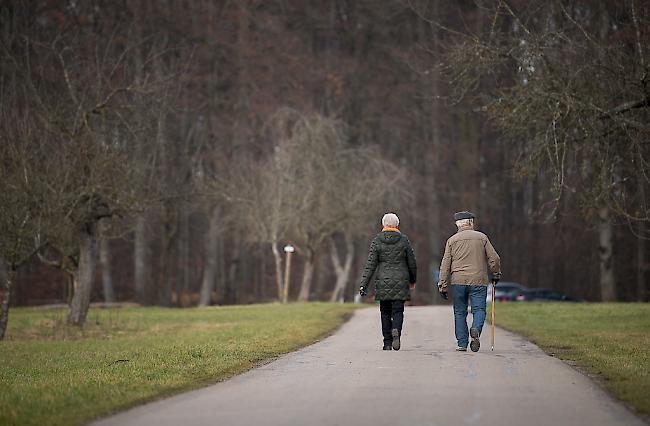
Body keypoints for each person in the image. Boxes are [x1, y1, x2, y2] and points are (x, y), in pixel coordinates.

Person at [437, 211, 501, 352]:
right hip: (478, 281)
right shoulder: (482, 238)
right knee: (479, 310)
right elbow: (494, 258)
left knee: (460, 312)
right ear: (471, 222)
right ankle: (476, 329)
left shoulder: (452, 240)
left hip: (458, 281)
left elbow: (445, 264)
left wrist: (442, 285)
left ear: (457, 224)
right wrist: (496, 274)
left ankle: (462, 343)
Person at [359, 213, 417, 351]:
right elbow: (412, 262)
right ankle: (396, 329)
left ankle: (387, 343)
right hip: (401, 280)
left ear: (383, 225)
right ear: (397, 225)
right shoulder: (404, 240)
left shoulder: (377, 240)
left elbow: (370, 264)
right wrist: (412, 280)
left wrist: (363, 284)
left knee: (384, 312)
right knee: (398, 310)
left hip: (383, 281)